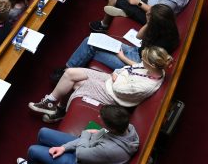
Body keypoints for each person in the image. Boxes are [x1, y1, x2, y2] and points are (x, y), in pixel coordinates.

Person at [28, 46, 171, 123]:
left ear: (152, 64)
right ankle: (50, 102)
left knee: (78, 84)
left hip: (114, 95)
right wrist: (121, 72)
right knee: (71, 73)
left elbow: (119, 88)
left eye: (145, 59)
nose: (142, 61)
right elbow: (132, 68)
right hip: (113, 80)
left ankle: (59, 111)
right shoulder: (154, 68)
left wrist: (119, 75)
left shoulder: (147, 85)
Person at [58, 5, 178, 82]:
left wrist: (122, 57)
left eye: (149, 15)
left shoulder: (164, 44)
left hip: (135, 63)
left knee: (92, 48)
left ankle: (65, 72)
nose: (146, 15)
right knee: (91, 39)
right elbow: (138, 36)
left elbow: (144, 67)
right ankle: (68, 68)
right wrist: (149, 23)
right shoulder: (165, 26)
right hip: (135, 51)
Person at [18, 104, 139, 164]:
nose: (98, 117)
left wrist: (86, 133)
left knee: (33, 150)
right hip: (89, 147)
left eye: (101, 118)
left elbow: (81, 154)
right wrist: (63, 147)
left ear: (111, 128)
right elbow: (94, 137)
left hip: (81, 160)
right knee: (43, 132)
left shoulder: (110, 149)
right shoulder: (126, 126)